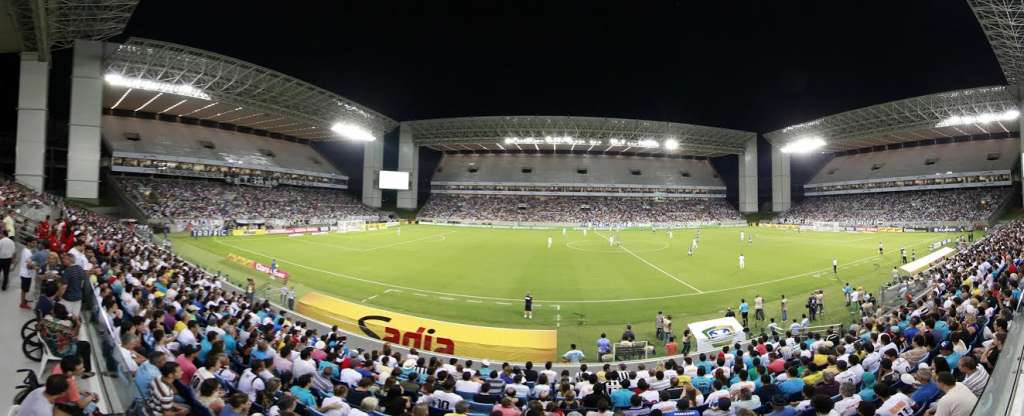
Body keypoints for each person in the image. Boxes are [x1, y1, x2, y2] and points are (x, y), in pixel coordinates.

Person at [17, 236, 36, 309]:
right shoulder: (27, 252)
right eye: (33, 243)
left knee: (24, 289)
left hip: (25, 273)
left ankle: (23, 300)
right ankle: (22, 303)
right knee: (24, 289)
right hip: (26, 274)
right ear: (28, 243)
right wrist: (35, 267)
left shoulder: (26, 250)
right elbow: (29, 266)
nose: (35, 244)